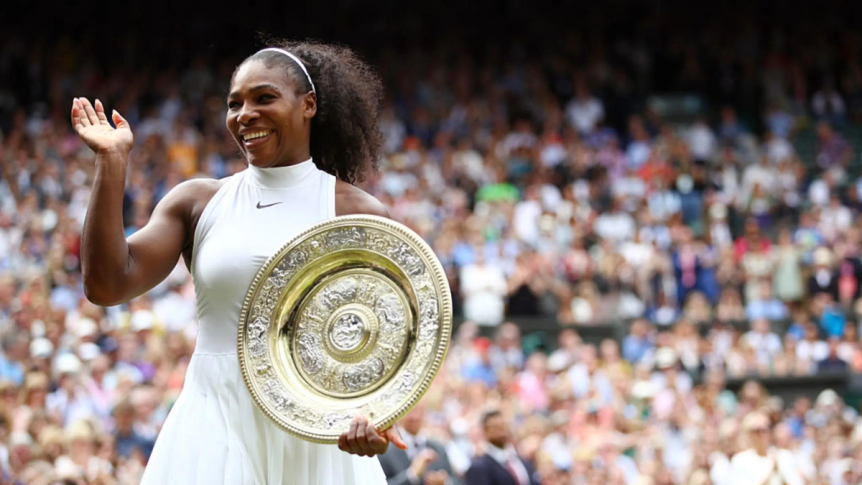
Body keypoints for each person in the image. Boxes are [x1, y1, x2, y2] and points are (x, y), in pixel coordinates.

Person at [70, 41, 406, 484]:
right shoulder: (196, 202)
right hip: (213, 425)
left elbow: (384, 339)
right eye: (234, 103)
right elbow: (107, 285)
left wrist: (374, 418)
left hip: (315, 438)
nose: (244, 113)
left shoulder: (359, 214)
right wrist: (111, 163)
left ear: (308, 106)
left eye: (264, 98)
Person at [378, 401, 461, 485]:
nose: (415, 417)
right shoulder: (386, 451)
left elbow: (457, 481)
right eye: (410, 411)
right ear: (400, 414)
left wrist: (445, 482)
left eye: (420, 411)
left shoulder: (439, 448)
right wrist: (412, 475)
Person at [465, 410, 539, 485]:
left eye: (503, 425)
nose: (501, 430)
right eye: (495, 427)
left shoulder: (521, 460)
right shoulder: (479, 467)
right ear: (485, 431)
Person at [729, 413, 802, 485]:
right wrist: (771, 470)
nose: (761, 434)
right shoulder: (740, 460)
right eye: (757, 430)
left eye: (765, 429)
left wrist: (780, 472)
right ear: (749, 434)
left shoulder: (784, 456)